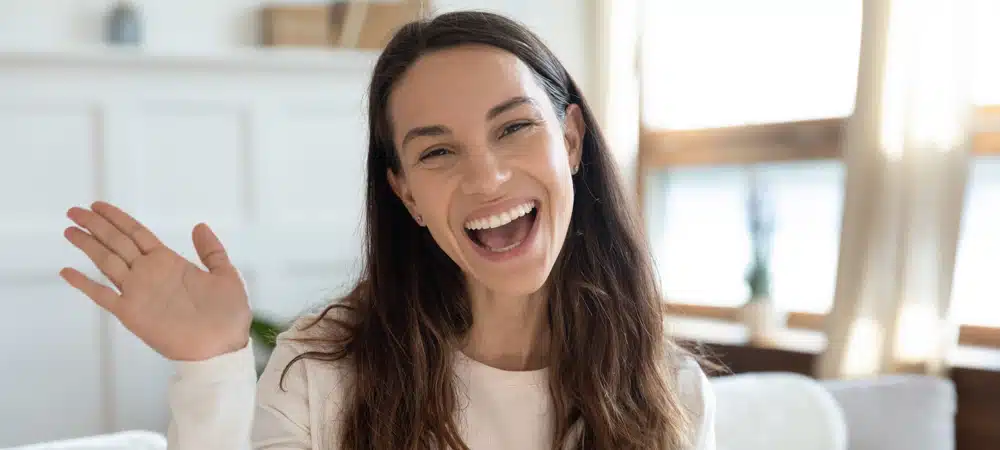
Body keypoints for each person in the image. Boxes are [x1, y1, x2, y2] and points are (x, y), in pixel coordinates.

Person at [58, 10, 716, 450]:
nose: (486, 178)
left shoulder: (669, 384)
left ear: (570, 141)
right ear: (406, 193)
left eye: (515, 128)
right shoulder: (321, 370)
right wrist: (208, 370)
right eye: (437, 151)